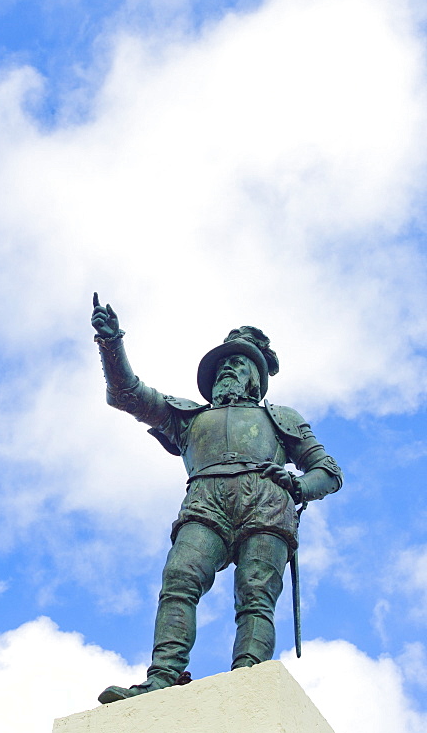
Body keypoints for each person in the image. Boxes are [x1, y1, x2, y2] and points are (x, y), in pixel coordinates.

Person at [91, 294, 343, 704]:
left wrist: (298, 486)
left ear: (255, 379)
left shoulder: (282, 418)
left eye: (237, 363)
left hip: (265, 502)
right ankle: (164, 676)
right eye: (223, 363)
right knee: (179, 580)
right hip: (205, 501)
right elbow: (128, 394)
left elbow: (328, 472)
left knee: (256, 594)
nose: (227, 367)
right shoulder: (187, 417)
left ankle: (248, 676)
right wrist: (111, 343)